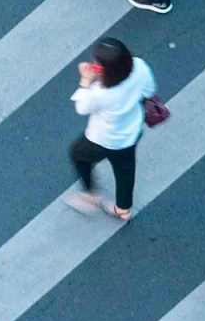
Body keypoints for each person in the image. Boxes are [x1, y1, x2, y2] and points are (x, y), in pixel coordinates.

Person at [64, 38, 157, 221]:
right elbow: (149, 91)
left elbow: (81, 108)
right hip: (132, 131)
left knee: (77, 154)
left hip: (103, 139)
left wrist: (85, 80)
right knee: (125, 171)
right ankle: (123, 209)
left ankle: (90, 195)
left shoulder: (100, 93)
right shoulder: (140, 67)